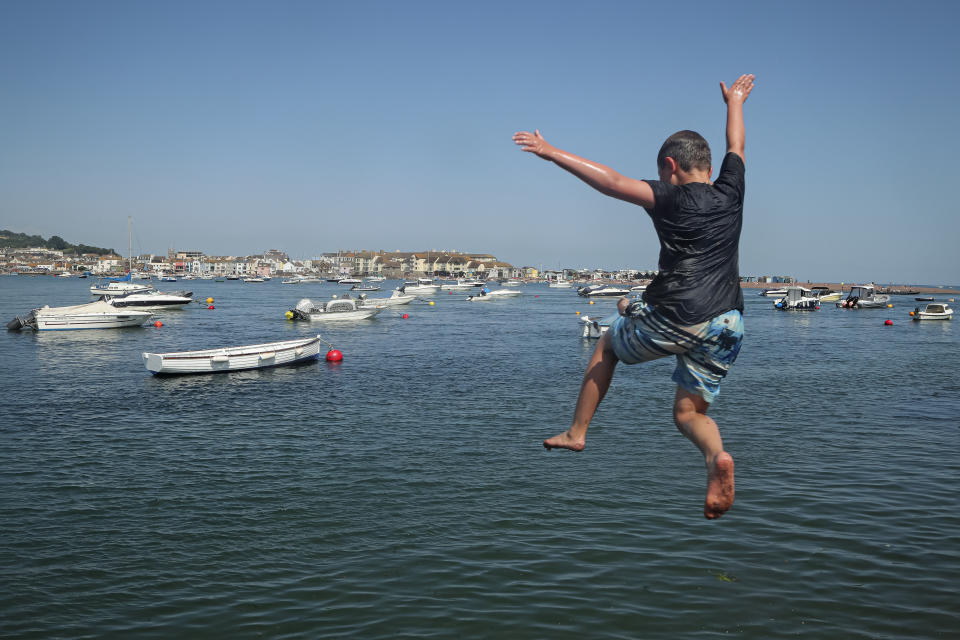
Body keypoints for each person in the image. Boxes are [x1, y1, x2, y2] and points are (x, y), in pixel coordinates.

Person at [512, 74, 755, 519]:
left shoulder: (669, 196)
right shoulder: (731, 190)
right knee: (688, 413)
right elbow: (735, 146)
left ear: (670, 166)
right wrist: (735, 102)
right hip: (729, 323)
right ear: (706, 164)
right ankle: (715, 457)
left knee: (607, 343)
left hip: (680, 314)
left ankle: (576, 431)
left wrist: (550, 153)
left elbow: (610, 181)